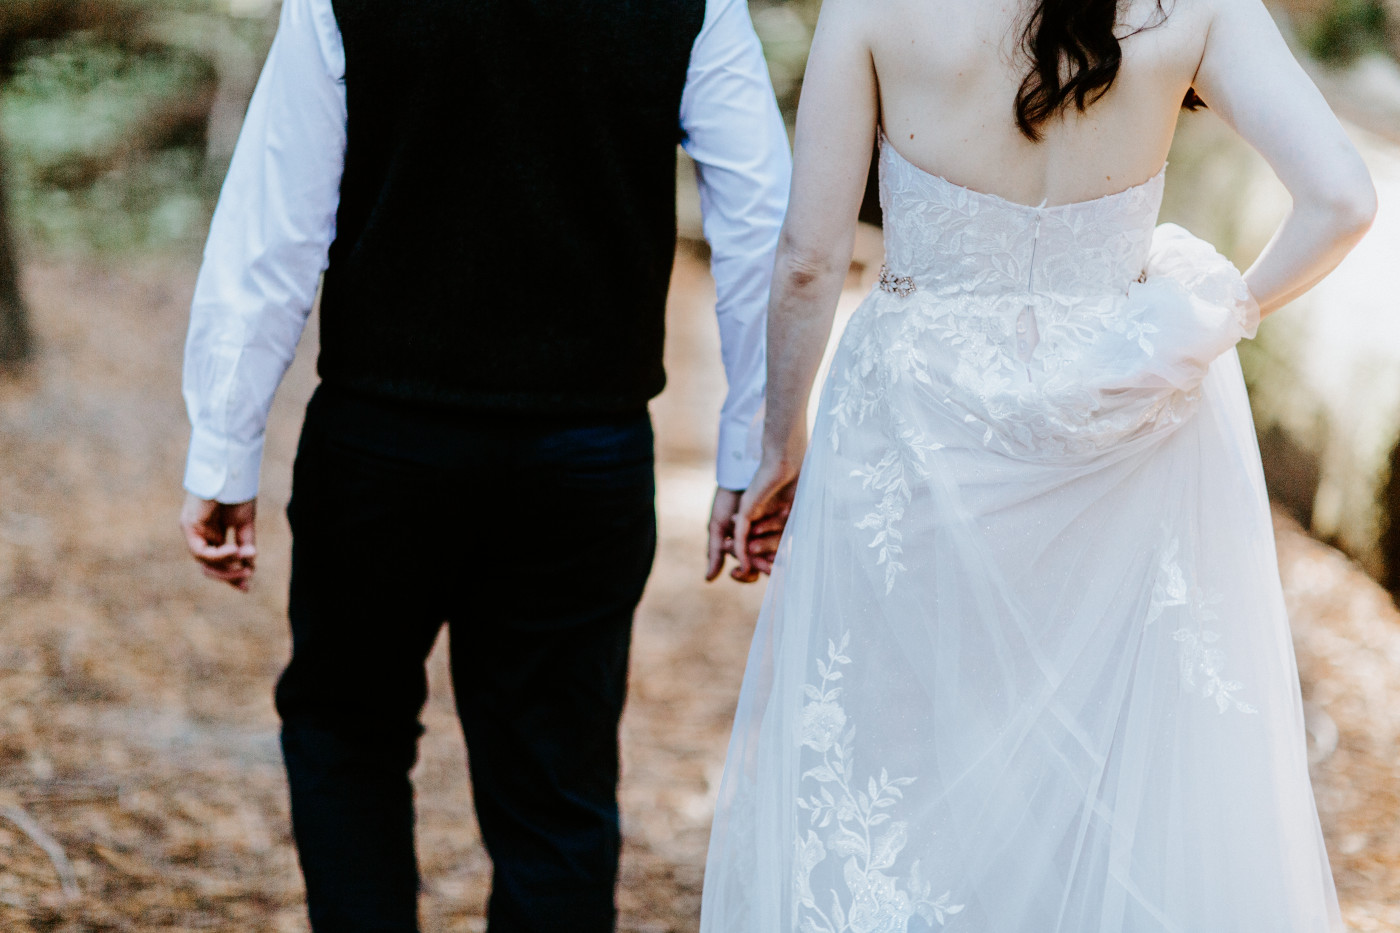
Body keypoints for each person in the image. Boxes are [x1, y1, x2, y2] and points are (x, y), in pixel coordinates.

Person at [701, 0, 1375, 929]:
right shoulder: (1195, 5)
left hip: (917, 428)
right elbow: (1343, 198)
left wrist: (780, 446)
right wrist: (1212, 319)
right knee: (1105, 757)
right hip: (1125, 422)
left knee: (913, 760)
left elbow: (809, 260)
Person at [177, 0, 790, 930]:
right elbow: (759, 226)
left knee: (348, 737)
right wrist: (753, 445)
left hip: (383, 446)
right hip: (585, 455)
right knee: (558, 787)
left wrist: (225, 452)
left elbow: (275, 227)